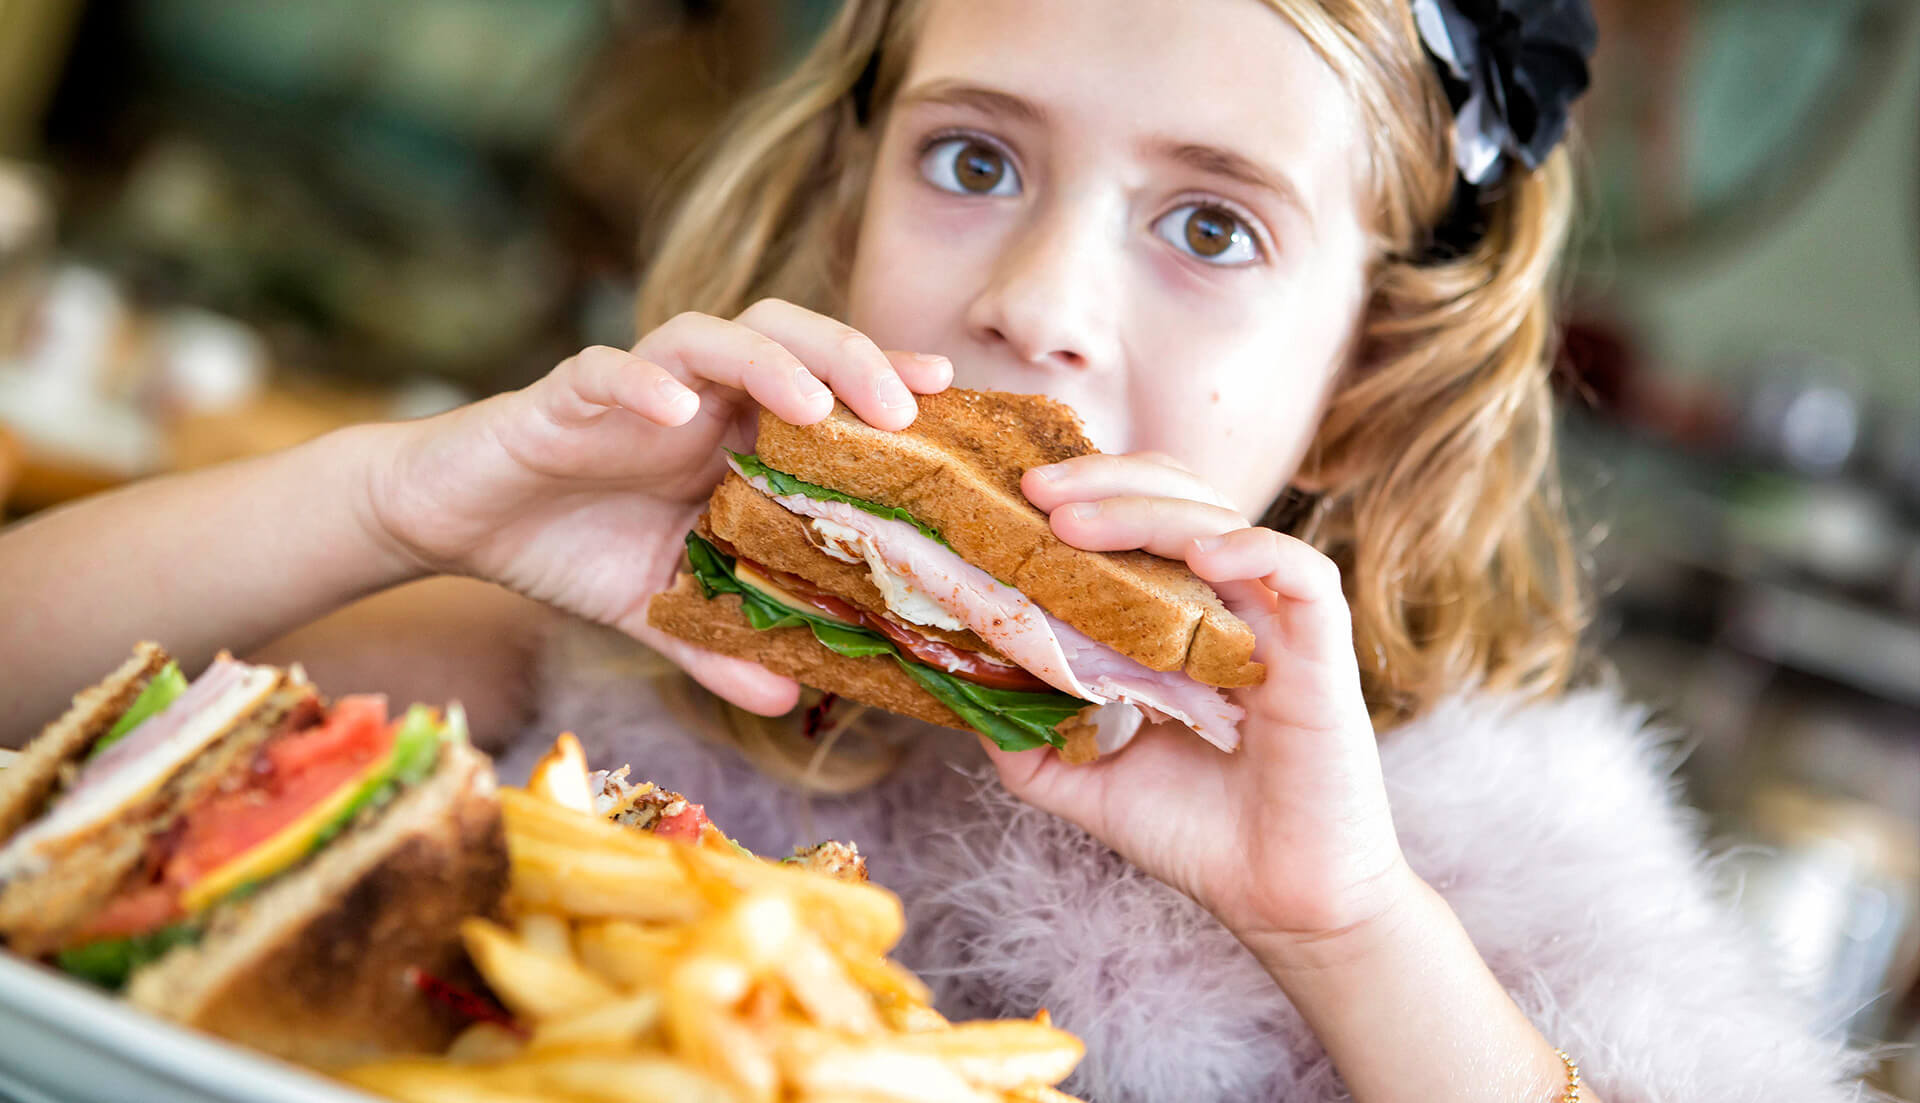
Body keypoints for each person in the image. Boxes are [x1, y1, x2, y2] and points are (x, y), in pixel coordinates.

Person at [0, 2, 1881, 1100]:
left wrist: (1347, 932)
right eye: (973, 163)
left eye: (1210, 228)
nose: (1037, 304)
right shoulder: (614, 670)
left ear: (1370, 365)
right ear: (845, 200)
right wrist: (388, 500)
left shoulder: (1489, 856)